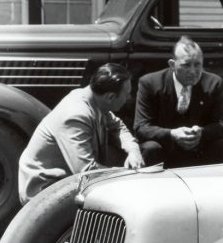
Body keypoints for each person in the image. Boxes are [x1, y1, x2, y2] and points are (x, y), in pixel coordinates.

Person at [18, 62, 144, 202]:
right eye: (126, 94)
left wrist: (133, 150)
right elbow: (86, 172)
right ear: (110, 97)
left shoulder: (93, 98)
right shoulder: (76, 115)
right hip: (44, 191)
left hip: (66, 179)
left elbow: (118, 126)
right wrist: (128, 175)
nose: (129, 98)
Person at [133, 36, 223, 167]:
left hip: (200, 148)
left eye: (197, 64)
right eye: (186, 65)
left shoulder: (214, 83)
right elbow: (141, 127)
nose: (193, 71)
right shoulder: (150, 83)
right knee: (150, 148)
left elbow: (221, 124)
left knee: (222, 147)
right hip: (165, 148)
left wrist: (201, 132)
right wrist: (172, 134)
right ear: (172, 64)